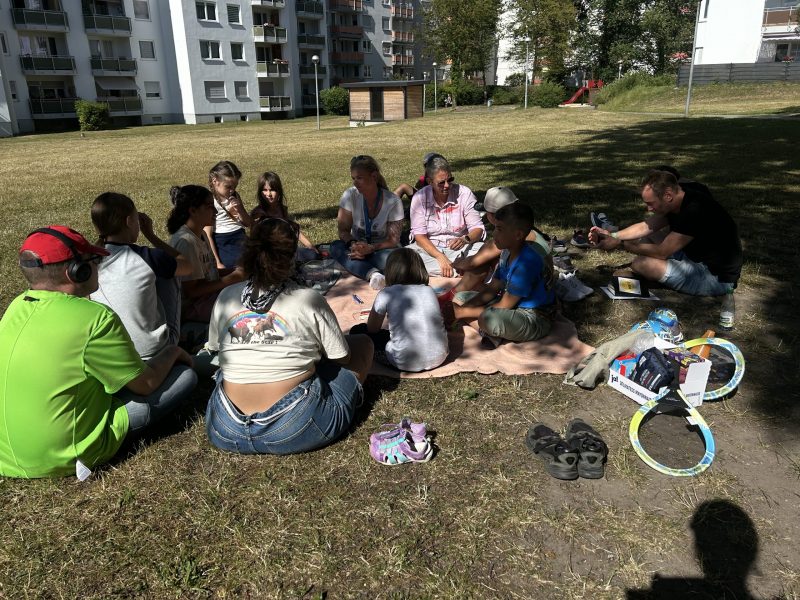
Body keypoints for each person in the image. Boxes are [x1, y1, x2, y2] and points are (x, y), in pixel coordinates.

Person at [0, 226, 197, 478]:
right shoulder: (96, 318)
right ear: (76, 272)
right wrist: (173, 352)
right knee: (184, 377)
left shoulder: (15, 306)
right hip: (66, 457)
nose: (99, 265)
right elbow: (146, 384)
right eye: (95, 260)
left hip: (5, 456)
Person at [204, 218, 374, 455]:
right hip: (294, 426)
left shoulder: (226, 296)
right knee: (363, 344)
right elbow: (343, 358)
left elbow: (215, 349)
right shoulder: (307, 298)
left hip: (225, 427)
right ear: (292, 255)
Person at [589, 169, 742, 296]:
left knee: (640, 263)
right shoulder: (679, 198)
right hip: (693, 257)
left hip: (715, 278)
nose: (648, 209)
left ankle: (653, 276)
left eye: (651, 203)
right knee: (643, 238)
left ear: (668, 195)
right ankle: (658, 275)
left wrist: (621, 244)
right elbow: (645, 227)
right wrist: (613, 236)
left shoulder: (694, 210)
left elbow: (663, 252)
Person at [90, 192, 193, 359]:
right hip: (154, 351)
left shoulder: (90, 262)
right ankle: (174, 338)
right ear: (129, 221)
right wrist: (151, 236)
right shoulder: (147, 256)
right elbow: (187, 266)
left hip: (114, 352)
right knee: (170, 272)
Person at [453, 203, 556, 343]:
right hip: (511, 306)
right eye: (495, 228)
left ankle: (487, 332)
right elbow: (492, 288)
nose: (494, 233)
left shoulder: (526, 263)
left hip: (535, 316)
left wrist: (461, 312)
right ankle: (491, 335)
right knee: (460, 297)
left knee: (487, 318)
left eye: (499, 229)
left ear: (518, 235)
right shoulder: (506, 252)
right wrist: (465, 307)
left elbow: (505, 305)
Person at [350, 248, 449, 372]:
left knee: (358, 331)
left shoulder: (386, 293)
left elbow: (372, 329)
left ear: (390, 271)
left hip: (402, 362)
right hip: (440, 357)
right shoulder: (429, 290)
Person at [449, 186, 551, 296]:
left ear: (493, 215)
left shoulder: (509, 237)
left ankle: (452, 296)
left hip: (533, 291)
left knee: (481, 266)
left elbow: (472, 263)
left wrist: (457, 263)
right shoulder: (523, 228)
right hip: (543, 284)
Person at [167, 184, 244, 324]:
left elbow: (210, 274)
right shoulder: (186, 242)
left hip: (207, 298)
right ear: (193, 210)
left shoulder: (200, 233)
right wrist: (233, 278)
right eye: (209, 206)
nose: (215, 211)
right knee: (244, 308)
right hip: (191, 308)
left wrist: (235, 271)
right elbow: (192, 291)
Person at [329, 155, 404, 289]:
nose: (355, 183)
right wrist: (353, 244)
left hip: (381, 250)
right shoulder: (350, 196)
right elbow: (343, 231)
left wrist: (371, 248)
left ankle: (356, 265)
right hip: (356, 248)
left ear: (374, 177)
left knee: (397, 258)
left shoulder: (393, 201)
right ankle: (373, 274)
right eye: (353, 178)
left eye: (359, 178)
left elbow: (393, 241)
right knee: (336, 246)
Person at [407, 155, 485, 277]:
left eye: (450, 180)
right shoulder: (420, 198)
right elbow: (420, 236)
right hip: (430, 250)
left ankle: (442, 271)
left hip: (461, 249)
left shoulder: (464, 193)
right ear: (430, 182)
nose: (447, 185)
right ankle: (462, 270)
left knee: (488, 252)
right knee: (404, 257)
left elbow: (478, 228)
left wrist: (465, 239)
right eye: (441, 182)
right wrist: (440, 257)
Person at [250, 171, 318, 261]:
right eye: (265, 190)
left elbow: (293, 230)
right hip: (268, 255)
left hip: (285, 251)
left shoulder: (282, 209)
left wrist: (310, 246)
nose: (269, 194)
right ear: (260, 192)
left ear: (279, 191)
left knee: (313, 255)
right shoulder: (258, 213)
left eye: (272, 190)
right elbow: (254, 239)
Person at [205, 161, 250, 270]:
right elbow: (208, 235)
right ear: (215, 181)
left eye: (235, 186)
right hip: (223, 240)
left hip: (240, 235)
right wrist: (217, 262)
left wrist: (239, 209)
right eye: (228, 186)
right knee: (237, 266)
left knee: (255, 260)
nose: (232, 190)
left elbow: (247, 223)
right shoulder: (210, 200)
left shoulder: (235, 195)